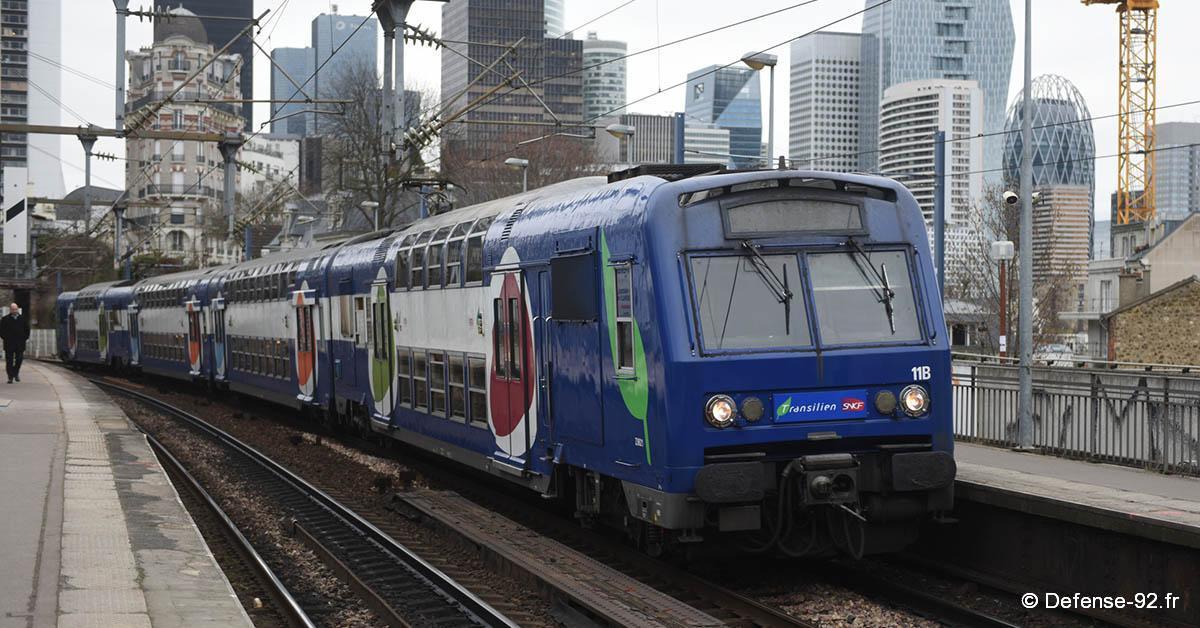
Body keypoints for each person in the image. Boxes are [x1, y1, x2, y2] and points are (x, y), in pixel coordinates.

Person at [0, 303, 29, 383]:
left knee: (19, 359)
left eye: (15, 309)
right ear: (10, 310)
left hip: (20, 343)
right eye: (13, 309)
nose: (14, 311)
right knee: (9, 361)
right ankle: (10, 377)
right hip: (9, 343)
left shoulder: (23, 319)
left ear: (17, 309)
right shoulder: (5, 319)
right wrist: (6, 338)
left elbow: (27, 330)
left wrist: (24, 338)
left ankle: (15, 373)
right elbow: (1, 331)